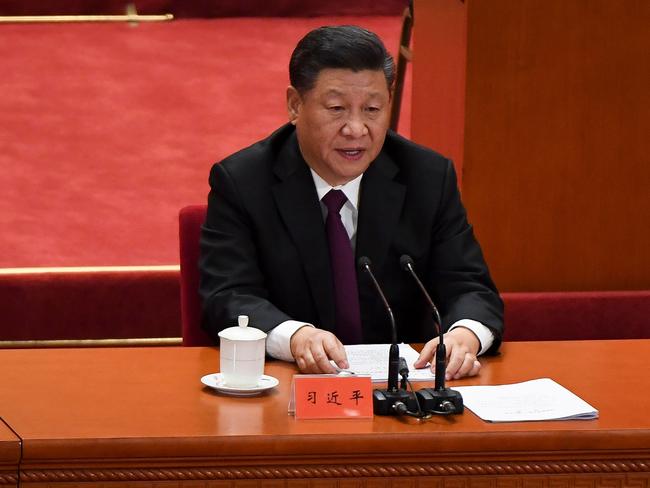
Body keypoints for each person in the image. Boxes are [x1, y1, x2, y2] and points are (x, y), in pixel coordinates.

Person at [199, 25, 503, 380]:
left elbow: (471, 287)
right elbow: (226, 296)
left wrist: (465, 335)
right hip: (291, 392)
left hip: (406, 397)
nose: (357, 129)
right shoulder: (243, 182)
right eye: (337, 108)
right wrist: (295, 336)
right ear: (295, 105)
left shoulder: (427, 177)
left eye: (372, 109)